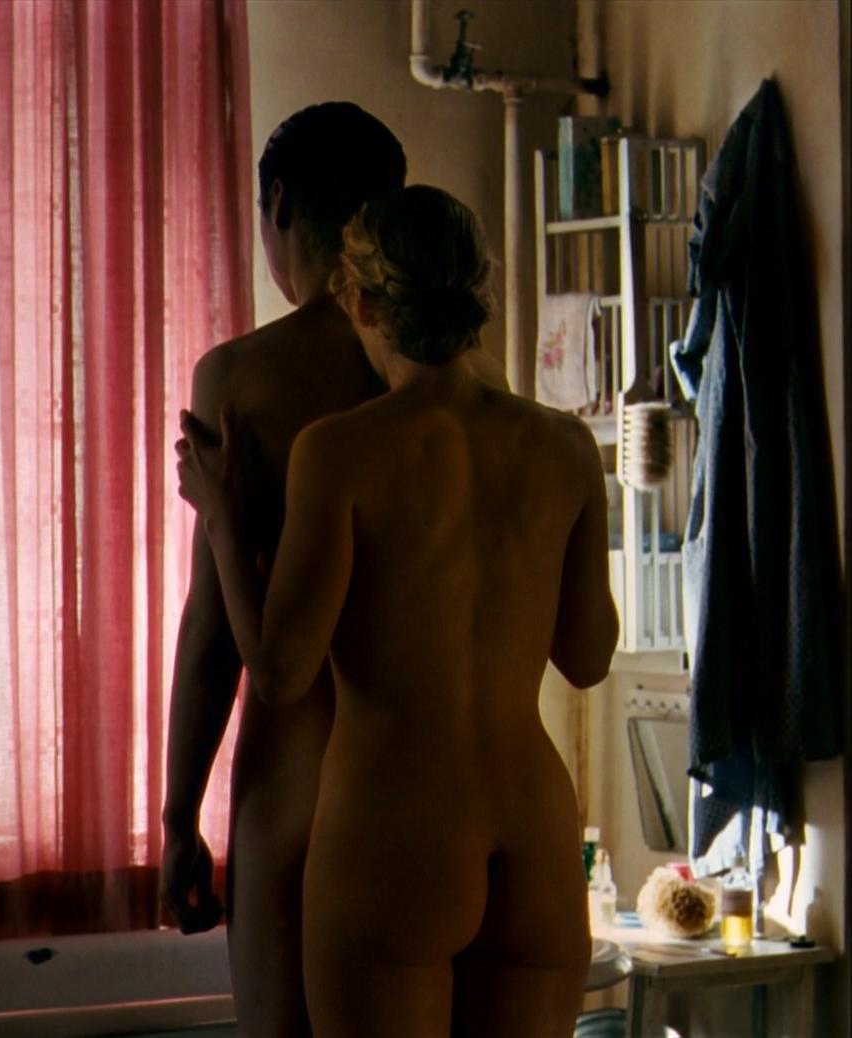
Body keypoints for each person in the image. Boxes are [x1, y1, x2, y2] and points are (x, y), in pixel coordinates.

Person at [177, 185, 618, 1036]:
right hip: (533, 827)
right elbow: (589, 656)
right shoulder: (564, 445)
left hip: (395, 829)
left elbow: (281, 671)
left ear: (365, 303)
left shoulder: (340, 451)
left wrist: (224, 522)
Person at [161, 101, 408, 1037]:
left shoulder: (242, 379)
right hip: (431, 789)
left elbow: (212, 635)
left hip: (299, 786)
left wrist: (179, 818)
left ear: (279, 206)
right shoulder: (442, 383)